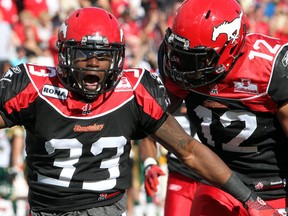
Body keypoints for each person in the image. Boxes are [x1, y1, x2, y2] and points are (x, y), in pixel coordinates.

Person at [0, 6, 280, 216]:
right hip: (42, 210)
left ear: (119, 57)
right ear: (64, 54)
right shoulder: (33, 86)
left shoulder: (133, 90)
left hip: (105, 209)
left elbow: (188, 149)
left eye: (104, 56)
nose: (94, 64)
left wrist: (247, 197)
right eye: (83, 55)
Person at [144, 0, 288, 215]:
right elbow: (153, 118)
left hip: (276, 187)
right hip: (220, 183)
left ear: (230, 47)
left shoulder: (268, 68)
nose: (182, 66)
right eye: (180, 53)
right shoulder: (177, 65)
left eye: (197, 58)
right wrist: (148, 159)